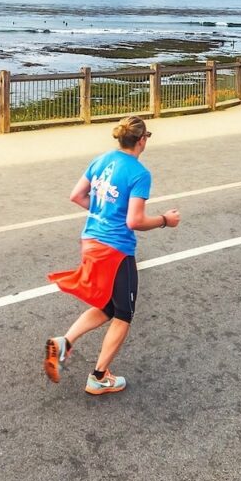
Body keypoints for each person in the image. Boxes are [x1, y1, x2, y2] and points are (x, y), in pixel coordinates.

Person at [44, 116, 181, 395]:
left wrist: (103, 214)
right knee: (124, 315)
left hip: (91, 240)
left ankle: (63, 343)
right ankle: (98, 377)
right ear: (142, 140)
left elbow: (76, 195)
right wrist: (165, 220)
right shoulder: (139, 173)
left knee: (109, 306)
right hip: (116, 249)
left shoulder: (101, 159)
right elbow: (134, 220)